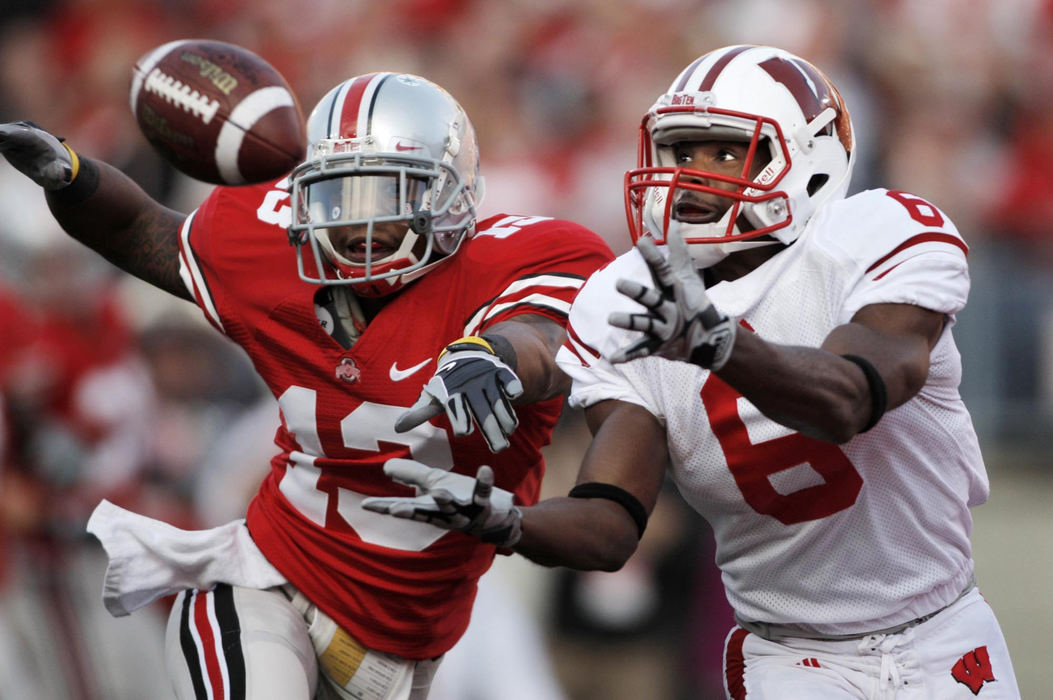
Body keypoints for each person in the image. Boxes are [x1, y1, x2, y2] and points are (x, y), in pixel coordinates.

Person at [361, 45, 1022, 698]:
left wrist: (717, 344)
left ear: (810, 161)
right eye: (681, 152)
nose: (692, 175)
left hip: (943, 634)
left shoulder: (877, 236)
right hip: (790, 657)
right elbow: (611, 523)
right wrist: (506, 521)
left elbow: (849, 399)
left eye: (725, 152)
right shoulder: (626, 299)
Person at [0, 71, 613, 700]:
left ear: (448, 195)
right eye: (337, 196)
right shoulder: (271, 247)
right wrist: (74, 180)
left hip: (404, 650)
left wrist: (497, 354)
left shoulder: (527, 258)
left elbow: (545, 333)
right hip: (267, 586)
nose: (356, 222)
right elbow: (144, 232)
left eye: (383, 193)